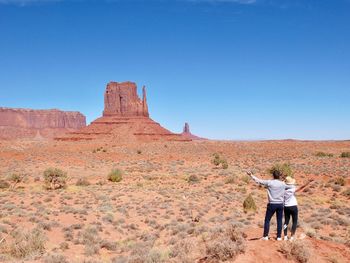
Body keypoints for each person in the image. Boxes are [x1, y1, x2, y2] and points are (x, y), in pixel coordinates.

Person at [247, 170, 291, 241]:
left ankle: (265, 236)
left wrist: (251, 175)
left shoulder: (269, 182)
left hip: (272, 204)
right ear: (279, 176)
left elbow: (258, 181)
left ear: (273, 175)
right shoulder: (283, 184)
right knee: (279, 220)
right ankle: (279, 237)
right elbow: (291, 186)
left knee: (267, 220)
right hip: (280, 204)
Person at [283, 176, 313, 240]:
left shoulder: (283, 189)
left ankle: (285, 236)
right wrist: (308, 182)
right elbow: (301, 187)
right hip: (293, 206)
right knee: (294, 222)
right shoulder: (292, 189)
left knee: (286, 221)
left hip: (286, 207)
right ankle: (292, 237)